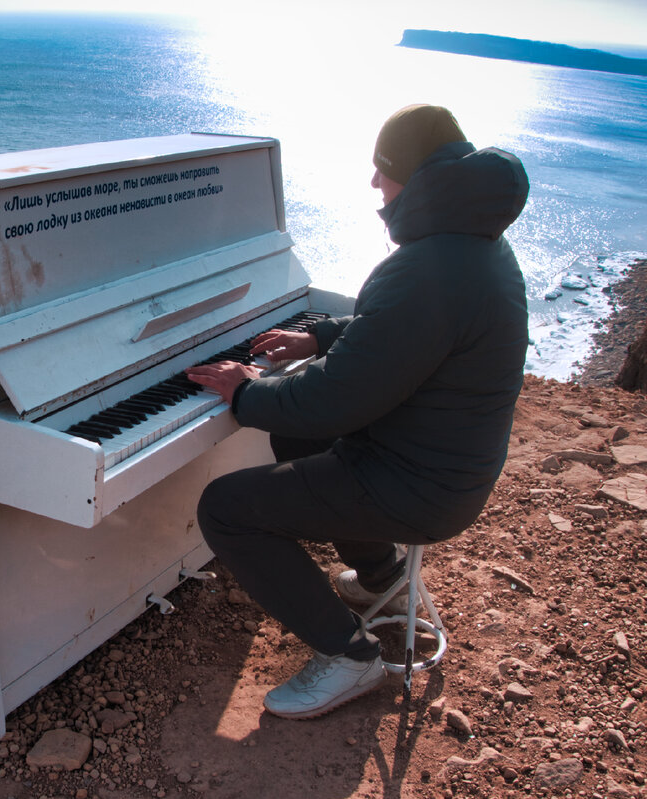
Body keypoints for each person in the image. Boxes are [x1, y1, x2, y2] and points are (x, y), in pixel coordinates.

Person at [184, 104, 530, 720]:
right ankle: (381, 577)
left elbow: (329, 402)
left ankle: (349, 657)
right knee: (295, 444)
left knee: (226, 508)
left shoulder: (428, 266)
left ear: (416, 177)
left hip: (418, 485)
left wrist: (244, 391)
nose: (374, 183)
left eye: (383, 168)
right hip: (445, 467)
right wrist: (320, 336)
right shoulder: (475, 246)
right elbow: (400, 329)